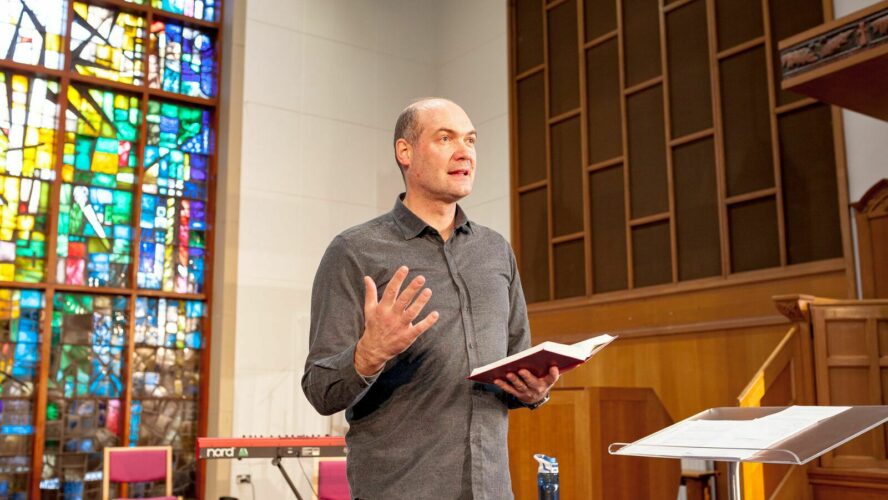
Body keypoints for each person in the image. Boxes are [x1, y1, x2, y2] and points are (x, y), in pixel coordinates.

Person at [301, 98, 559, 499]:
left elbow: (516, 361)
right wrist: (369, 353)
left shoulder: (495, 250)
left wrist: (534, 391)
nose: (465, 152)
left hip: (491, 489)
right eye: (446, 138)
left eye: (471, 140)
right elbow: (320, 389)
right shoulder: (355, 251)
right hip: (400, 489)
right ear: (405, 152)